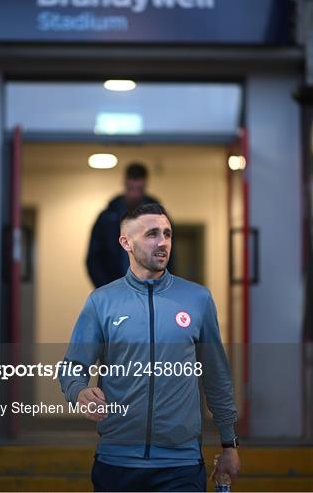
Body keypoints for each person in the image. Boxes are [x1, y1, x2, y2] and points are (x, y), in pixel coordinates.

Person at [59, 203, 240, 492]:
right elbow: (72, 367)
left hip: (181, 466)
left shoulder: (198, 299)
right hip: (117, 463)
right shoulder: (101, 302)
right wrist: (78, 391)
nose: (163, 242)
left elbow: (216, 376)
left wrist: (229, 444)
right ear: (126, 242)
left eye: (167, 234)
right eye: (152, 234)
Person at [86, 163, 174, 288]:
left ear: (145, 185)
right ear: (125, 183)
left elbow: (169, 254)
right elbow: (94, 258)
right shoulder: (107, 218)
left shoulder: (160, 218)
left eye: (139, 189)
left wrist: (162, 286)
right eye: (131, 188)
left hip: (151, 286)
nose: (135, 195)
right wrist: (106, 288)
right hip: (115, 286)